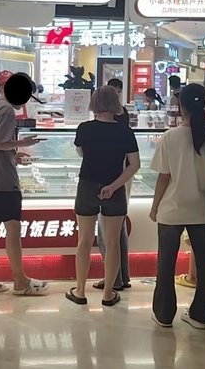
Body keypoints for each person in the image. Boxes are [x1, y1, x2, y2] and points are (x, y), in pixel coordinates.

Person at [0, 70, 49, 296]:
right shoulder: (6, 110)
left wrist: (13, 155)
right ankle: (20, 281)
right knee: (13, 229)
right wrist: (23, 143)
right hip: (2, 181)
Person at [65, 86, 140, 307]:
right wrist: (113, 186)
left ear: (94, 103)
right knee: (112, 242)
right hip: (114, 190)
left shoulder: (84, 128)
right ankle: (108, 293)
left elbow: (82, 152)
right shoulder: (125, 131)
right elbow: (134, 165)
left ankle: (80, 291)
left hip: (87, 186)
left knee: (84, 241)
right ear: (115, 104)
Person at [149, 84, 205, 329]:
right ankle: (200, 315)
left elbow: (163, 177)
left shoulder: (170, 137)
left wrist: (155, 206)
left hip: (172, 209)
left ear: (181, 106)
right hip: (202, 210)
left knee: (166, 263)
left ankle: (164, 314)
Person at [93, 78, 131, 292]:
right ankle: (121, 277)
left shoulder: (105, 122)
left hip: (107, 180)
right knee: (117, 233)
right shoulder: (122, 116)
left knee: (107, 234)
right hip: (121, 178)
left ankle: (113, 279)